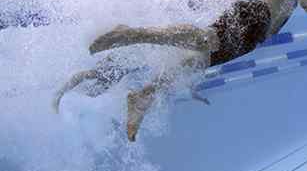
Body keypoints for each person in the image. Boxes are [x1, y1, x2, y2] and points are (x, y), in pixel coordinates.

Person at [87, 0, 307, 142]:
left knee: (195, 62)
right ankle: (130, 33)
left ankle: (144, 95)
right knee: (206, 40)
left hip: (251, 40)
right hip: (254, 12)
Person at [52, 55, 209, 115]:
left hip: (125, 64)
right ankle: (60, 92)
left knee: (96, 90)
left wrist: (197, 96)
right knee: (95, 76)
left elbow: (184, 80)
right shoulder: (178, 57)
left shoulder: (179, 60)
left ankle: (66, 92)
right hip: (121, 60)